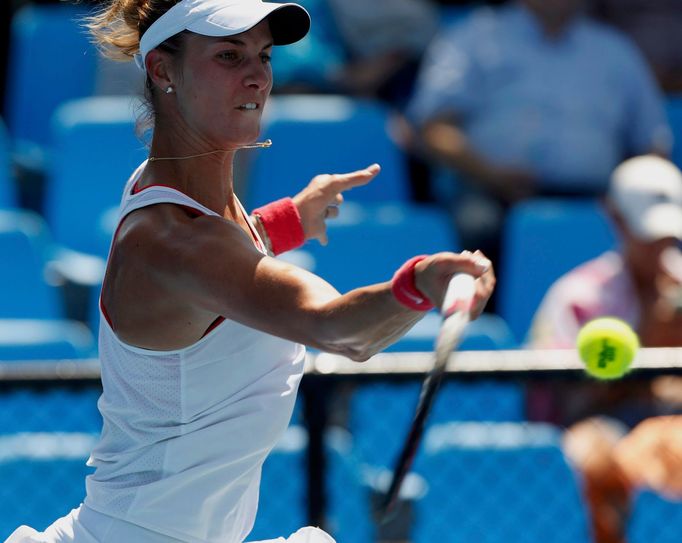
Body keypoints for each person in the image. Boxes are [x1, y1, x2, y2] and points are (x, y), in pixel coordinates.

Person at [4, 1, 495, 542]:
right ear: (163, 70)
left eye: (263, 55)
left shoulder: (167, 193)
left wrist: (286, 221)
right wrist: (421, 282)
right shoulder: (175, 241)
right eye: (229, 55)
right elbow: (338, 330)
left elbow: (221, 266)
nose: (258, 74)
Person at [405, 0, 672, 266]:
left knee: (651, 227)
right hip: (491, 191)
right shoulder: (471, 38)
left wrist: (622, 194)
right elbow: (434, 128)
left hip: (596, 197)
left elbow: (651, 143)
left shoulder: (615, 50)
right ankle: (482, 309)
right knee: (476, 231)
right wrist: (492, 174)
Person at [528, 155, 682, 543]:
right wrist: (652, 342)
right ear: (616, 220)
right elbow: (564, 404)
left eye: (667, 238)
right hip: (600, 424)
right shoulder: (576, 298)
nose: (659, 248)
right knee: (594, 456)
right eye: (648, 236)